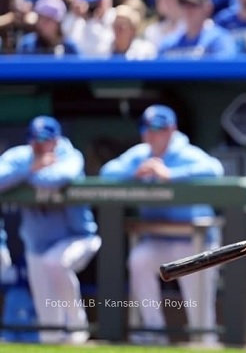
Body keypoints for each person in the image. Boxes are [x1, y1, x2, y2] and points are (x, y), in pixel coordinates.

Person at [99, 105, 224, 345]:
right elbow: (107, 173)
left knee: (200, 317)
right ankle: (154, 332)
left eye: (158, 129)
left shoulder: (186, 153)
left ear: (171, 130)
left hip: (194, 242)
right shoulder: (140, 154)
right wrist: (134, 173)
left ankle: (203, 339)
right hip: (157, 240)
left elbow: (215, 170)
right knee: (139, 260)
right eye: (147, 129)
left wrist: (170, 174)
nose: (151, 134)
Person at [0, 116, 100, 343]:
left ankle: (77, 327)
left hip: (78, 238)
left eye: (45, 140)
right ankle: (53, 340)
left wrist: (24, 176)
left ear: (56, 140)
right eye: (34, 140)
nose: (39, 145)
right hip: (36, 245)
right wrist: (30, 168)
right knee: (48, 329)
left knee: (55, 262)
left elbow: (59, 177)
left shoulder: (70, 154)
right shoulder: (23, 157)